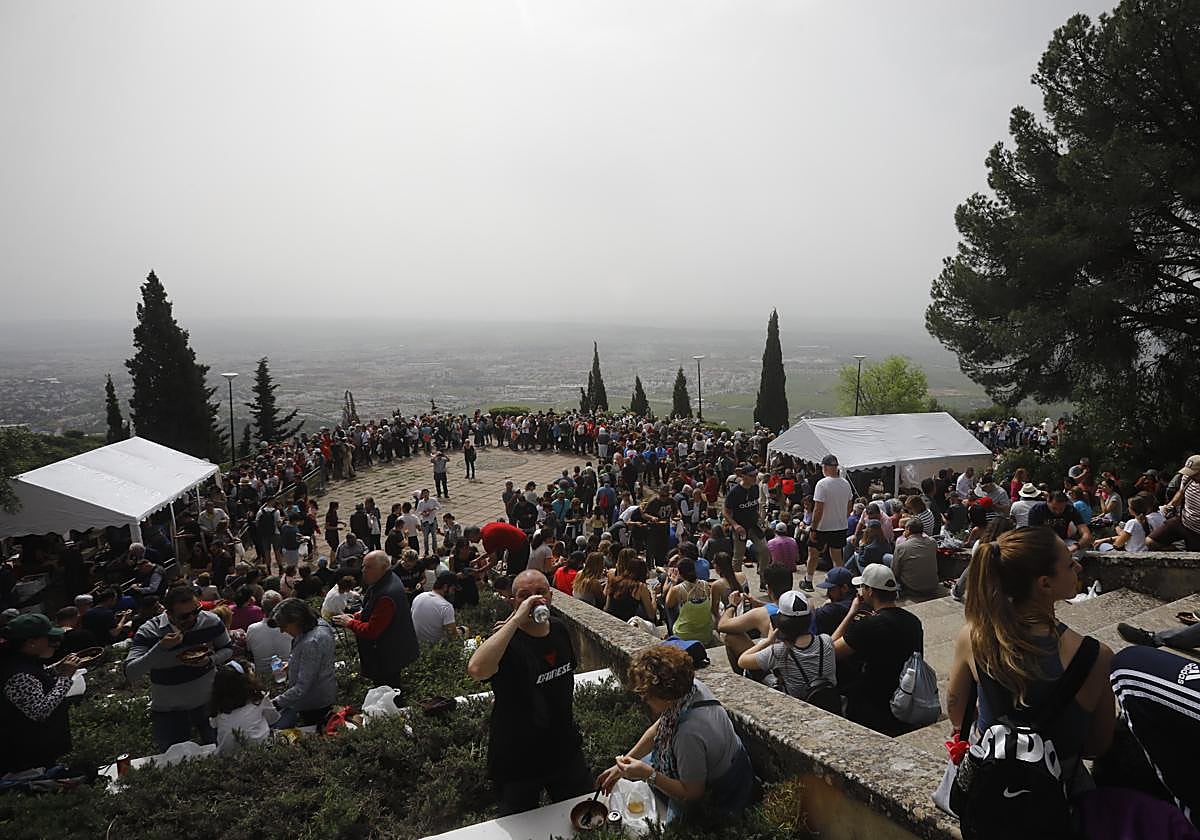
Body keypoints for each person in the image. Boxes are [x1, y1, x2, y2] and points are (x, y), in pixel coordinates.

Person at [946, 526, 1115, 823]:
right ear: (1045, 584)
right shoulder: (1095, 657)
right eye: (1068, 563)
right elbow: (1096, 746)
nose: (1077, 565)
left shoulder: (973, 638)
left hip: (990, 790)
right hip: (1060, 796)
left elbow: (958, 716)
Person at [467, 569, 592, 816]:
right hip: (518, 760)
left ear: (551, 597)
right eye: (524, 595)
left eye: (540, 593)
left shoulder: (559, 629)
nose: (533, 599)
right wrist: (515, 621)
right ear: (513, 601)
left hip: (564, 750)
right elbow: (477, 669)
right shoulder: (505, 643)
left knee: (583, 814)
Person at [597, 645, 755, 820]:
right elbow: (659, 727)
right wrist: (622, 766)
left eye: (646, 694)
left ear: (666, 697)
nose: (643, 699)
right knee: (642, 763)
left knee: (672, 825)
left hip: (724, 791)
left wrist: (649, 775)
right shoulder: (690, 690)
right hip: (734, 762)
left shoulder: (687, 735)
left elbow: (693, 793)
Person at [124, 586, 234, 751]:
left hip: (208, 703)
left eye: (196, 611)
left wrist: (210, 661)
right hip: (169, 711)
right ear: (169, 615)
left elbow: (227, 648)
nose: (193, 618)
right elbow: (131, 672)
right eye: (184, 616)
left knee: (220, 751)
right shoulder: (149, 631)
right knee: (175, 759)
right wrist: (160, 648)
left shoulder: (210, 621)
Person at [831, 563, 924, 735]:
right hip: (904, 693)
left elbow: (831, 651)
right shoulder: (914, 621)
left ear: (870, 591)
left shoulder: (868, 625)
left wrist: (851, 613)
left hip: (873, 701)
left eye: (862, 587)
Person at [0, 613, 81, 773]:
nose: (53, 643)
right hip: (31, 757)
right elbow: (40, 710)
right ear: (31, 643)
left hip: (38, 751)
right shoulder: (18, 673)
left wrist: (57, 668)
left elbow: (36, 681)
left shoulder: (22, 662)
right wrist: (65, 678)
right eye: (48, 638)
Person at [331, 551, 419, 688]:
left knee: (387, 689)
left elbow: (372, 630)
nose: (363, 571)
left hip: (387, 656)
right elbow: (374, 611)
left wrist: (350, 623)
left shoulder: (387, 594)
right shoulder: (387, 580)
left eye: (369, 567)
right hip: (393, 651)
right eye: (363, 566)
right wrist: (356, 617)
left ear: (383, 568)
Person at [737, 591, 838, 707]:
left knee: (756, 671)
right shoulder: (826, 640)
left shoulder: (779, 651)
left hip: (798, 705)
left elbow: (742, 661)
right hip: (830, 703)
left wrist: (768, 641)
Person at [268, 598, 337, 728]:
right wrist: (292, 664)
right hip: (319, 694)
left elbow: (302, 687)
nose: (282, 631)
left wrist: (275, 703)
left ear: (296, 621)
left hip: (315, 702)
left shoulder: (312, 642)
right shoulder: (317, 625)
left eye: (284, 626)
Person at [717, 564, 791, 675]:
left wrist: (731, 605)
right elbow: (779, 606)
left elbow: (722, 626)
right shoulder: (807, 605)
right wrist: (759, 604)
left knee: (730, 636)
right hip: (797, 659)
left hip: (778, 664)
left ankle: (746, 677)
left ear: (768, 588)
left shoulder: (761, 614)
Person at [801, 454, 854, 592]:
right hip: (840, 526)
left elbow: (818, 509)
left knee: (813, 554)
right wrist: (842, 517)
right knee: (837, 556)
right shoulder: (846, 483)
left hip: (822, 527)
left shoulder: (822, 484)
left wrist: (813, 528)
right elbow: (849, 506)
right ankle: (841, 583)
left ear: (825, 467)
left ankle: (808, 580)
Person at [208, 660, 279, 753]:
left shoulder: (217, 705)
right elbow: (273, 719)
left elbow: (213, 725)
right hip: (261, 749)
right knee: (288, 712)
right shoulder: (258, 697)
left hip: (228, 753)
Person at [1148, 454, 1200, 551]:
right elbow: (1181, 492)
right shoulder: (1187, 478)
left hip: (1197, 531)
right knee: (1150, 542)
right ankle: (1179, 553)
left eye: (1194, 474)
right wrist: (1170, 505)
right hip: (1183, 520)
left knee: (1194, 559)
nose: (1191, 476)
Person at [723, 464, 769, 570]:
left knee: (764, 550)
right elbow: (726, 512)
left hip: (753, 525)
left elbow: (754, 506)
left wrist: (760, 519)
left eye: (756, 475)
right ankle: (737, 582)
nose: (755, 477)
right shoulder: (735, 492)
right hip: (740, 527)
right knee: (738, 556)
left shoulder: (755, 488)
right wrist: (735, 525)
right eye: (752, 475)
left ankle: (763, 578)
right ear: (743, 476)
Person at [245, 590, 292, 679]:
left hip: (263, 679)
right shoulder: (290, 627)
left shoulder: (252, 629)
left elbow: (249, 650)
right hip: (287, 676)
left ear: (262, 609)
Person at [1095, 493, 1164, 553]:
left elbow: (1117, 544)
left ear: (1133, 509)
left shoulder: (1132, 523)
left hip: (1132, 554)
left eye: (1129, 506)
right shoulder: (1147, 520)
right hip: (1144, 551)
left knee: (1101, 546)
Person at [890, 517, 941, 596]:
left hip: (913, 587)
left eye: (905, 529)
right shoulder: (932, 542)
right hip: (932, 585)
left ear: (908, 529)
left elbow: (895, 571)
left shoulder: (902, 547)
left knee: (887, 558)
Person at [411, 572, 464, 646]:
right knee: (465, 629)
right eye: (453, 589)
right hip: (436, 648)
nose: (453, 593)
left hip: (417, 644)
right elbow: (453, 636)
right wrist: (462, 630)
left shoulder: (419, 597)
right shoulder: (446, 606)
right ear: (445, 587)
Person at [1028, 491, 1094, 549]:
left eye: (1061, 509)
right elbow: (1033, 535)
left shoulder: (1070, 509)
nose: (1057, 512)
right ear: (1048, 501)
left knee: (1081, 549)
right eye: (1054, 508)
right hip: (1042, 543)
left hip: (1063, 542)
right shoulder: (1037, 510)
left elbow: (1086, 534)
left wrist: (1075, 546)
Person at [466, 522, 531, 576]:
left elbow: (494, 562)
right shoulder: (486, 528)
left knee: (513, 574)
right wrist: (477, 560)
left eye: (470, 539)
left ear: (473, 535)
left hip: (520, 547)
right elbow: (491, 551)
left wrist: (479, 571)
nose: (471, 542)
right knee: (511, 569)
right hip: (521, 540)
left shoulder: (487, 538)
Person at [605, 556, 656, 622]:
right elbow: (651, 615)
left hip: (610, 619)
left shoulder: (614, 580)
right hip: (626, 622)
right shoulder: (640, 587)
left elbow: (607, 606)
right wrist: (653, 595)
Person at [813, 566, 856, 636]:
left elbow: (809, 615)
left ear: (844, 588)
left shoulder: (834, 609)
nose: (827, 594)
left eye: (831, 589)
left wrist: (824, 605)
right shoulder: (857, 599)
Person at [765, 521, 799, 588]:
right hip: (790, 568)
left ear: (775, 531)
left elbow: (768, 559)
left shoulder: (770, 542)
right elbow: (797, 558)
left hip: (777, 569)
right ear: (786, 531)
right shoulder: (793, 541)